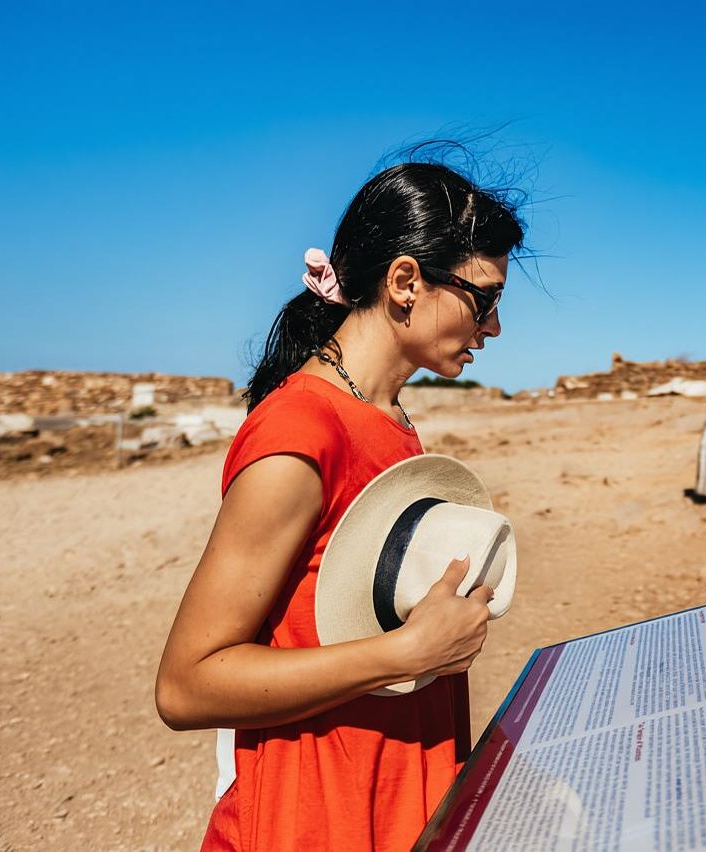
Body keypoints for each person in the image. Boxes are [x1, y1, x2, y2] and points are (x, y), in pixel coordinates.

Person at [155, 158, 526, 851]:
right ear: (405, 282)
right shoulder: (300, 432)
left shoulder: (386, 418)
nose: (494, 327)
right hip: (317, 817)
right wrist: (408, 651)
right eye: (484, 298)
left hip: (396, 802)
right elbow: (187, 685)